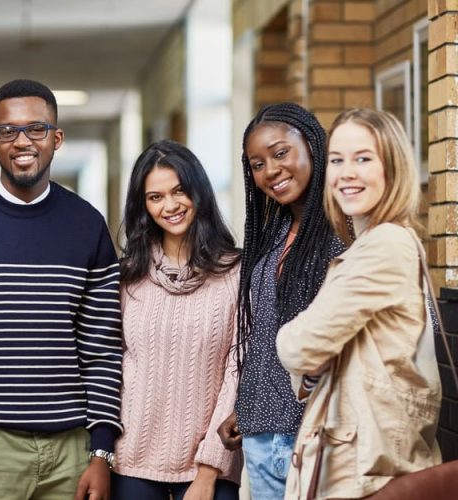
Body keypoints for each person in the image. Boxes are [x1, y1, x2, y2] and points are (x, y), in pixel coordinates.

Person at [0, 79, 123, 500]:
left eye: (36, 128)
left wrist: (101, 450)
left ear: (57, 138)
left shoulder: (87, 225)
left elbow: (103, 347)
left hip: (71, 448)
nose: (22, 141)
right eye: (7, 131)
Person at [276, 108, 442, 499]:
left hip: (365, 474)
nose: (346, 173)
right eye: (337, 161)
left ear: (392, 168)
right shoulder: (370, 244)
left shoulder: (386, 244)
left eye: (363, 159)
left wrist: (297, 343)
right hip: (359, 466)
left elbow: (299, 347)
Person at [216, 102, 344, 499]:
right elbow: (264, 335)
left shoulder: (347, 234)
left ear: (313, 146)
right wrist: (246, 405)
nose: (271, 170)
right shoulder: (273, 235)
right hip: (262, 438)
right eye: (257, 164)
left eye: (280, 153)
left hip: (321, 438)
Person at [113, 140, 241, 500]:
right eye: (155, 197)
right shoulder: (127, 277)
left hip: (210, 464)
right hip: (131, 462)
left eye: (179, 191)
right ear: (143, 206)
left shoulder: (237, 273)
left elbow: (238, 369)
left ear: (199, 191)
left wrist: (209, 468)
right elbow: (111, 365)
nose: (170, 206)